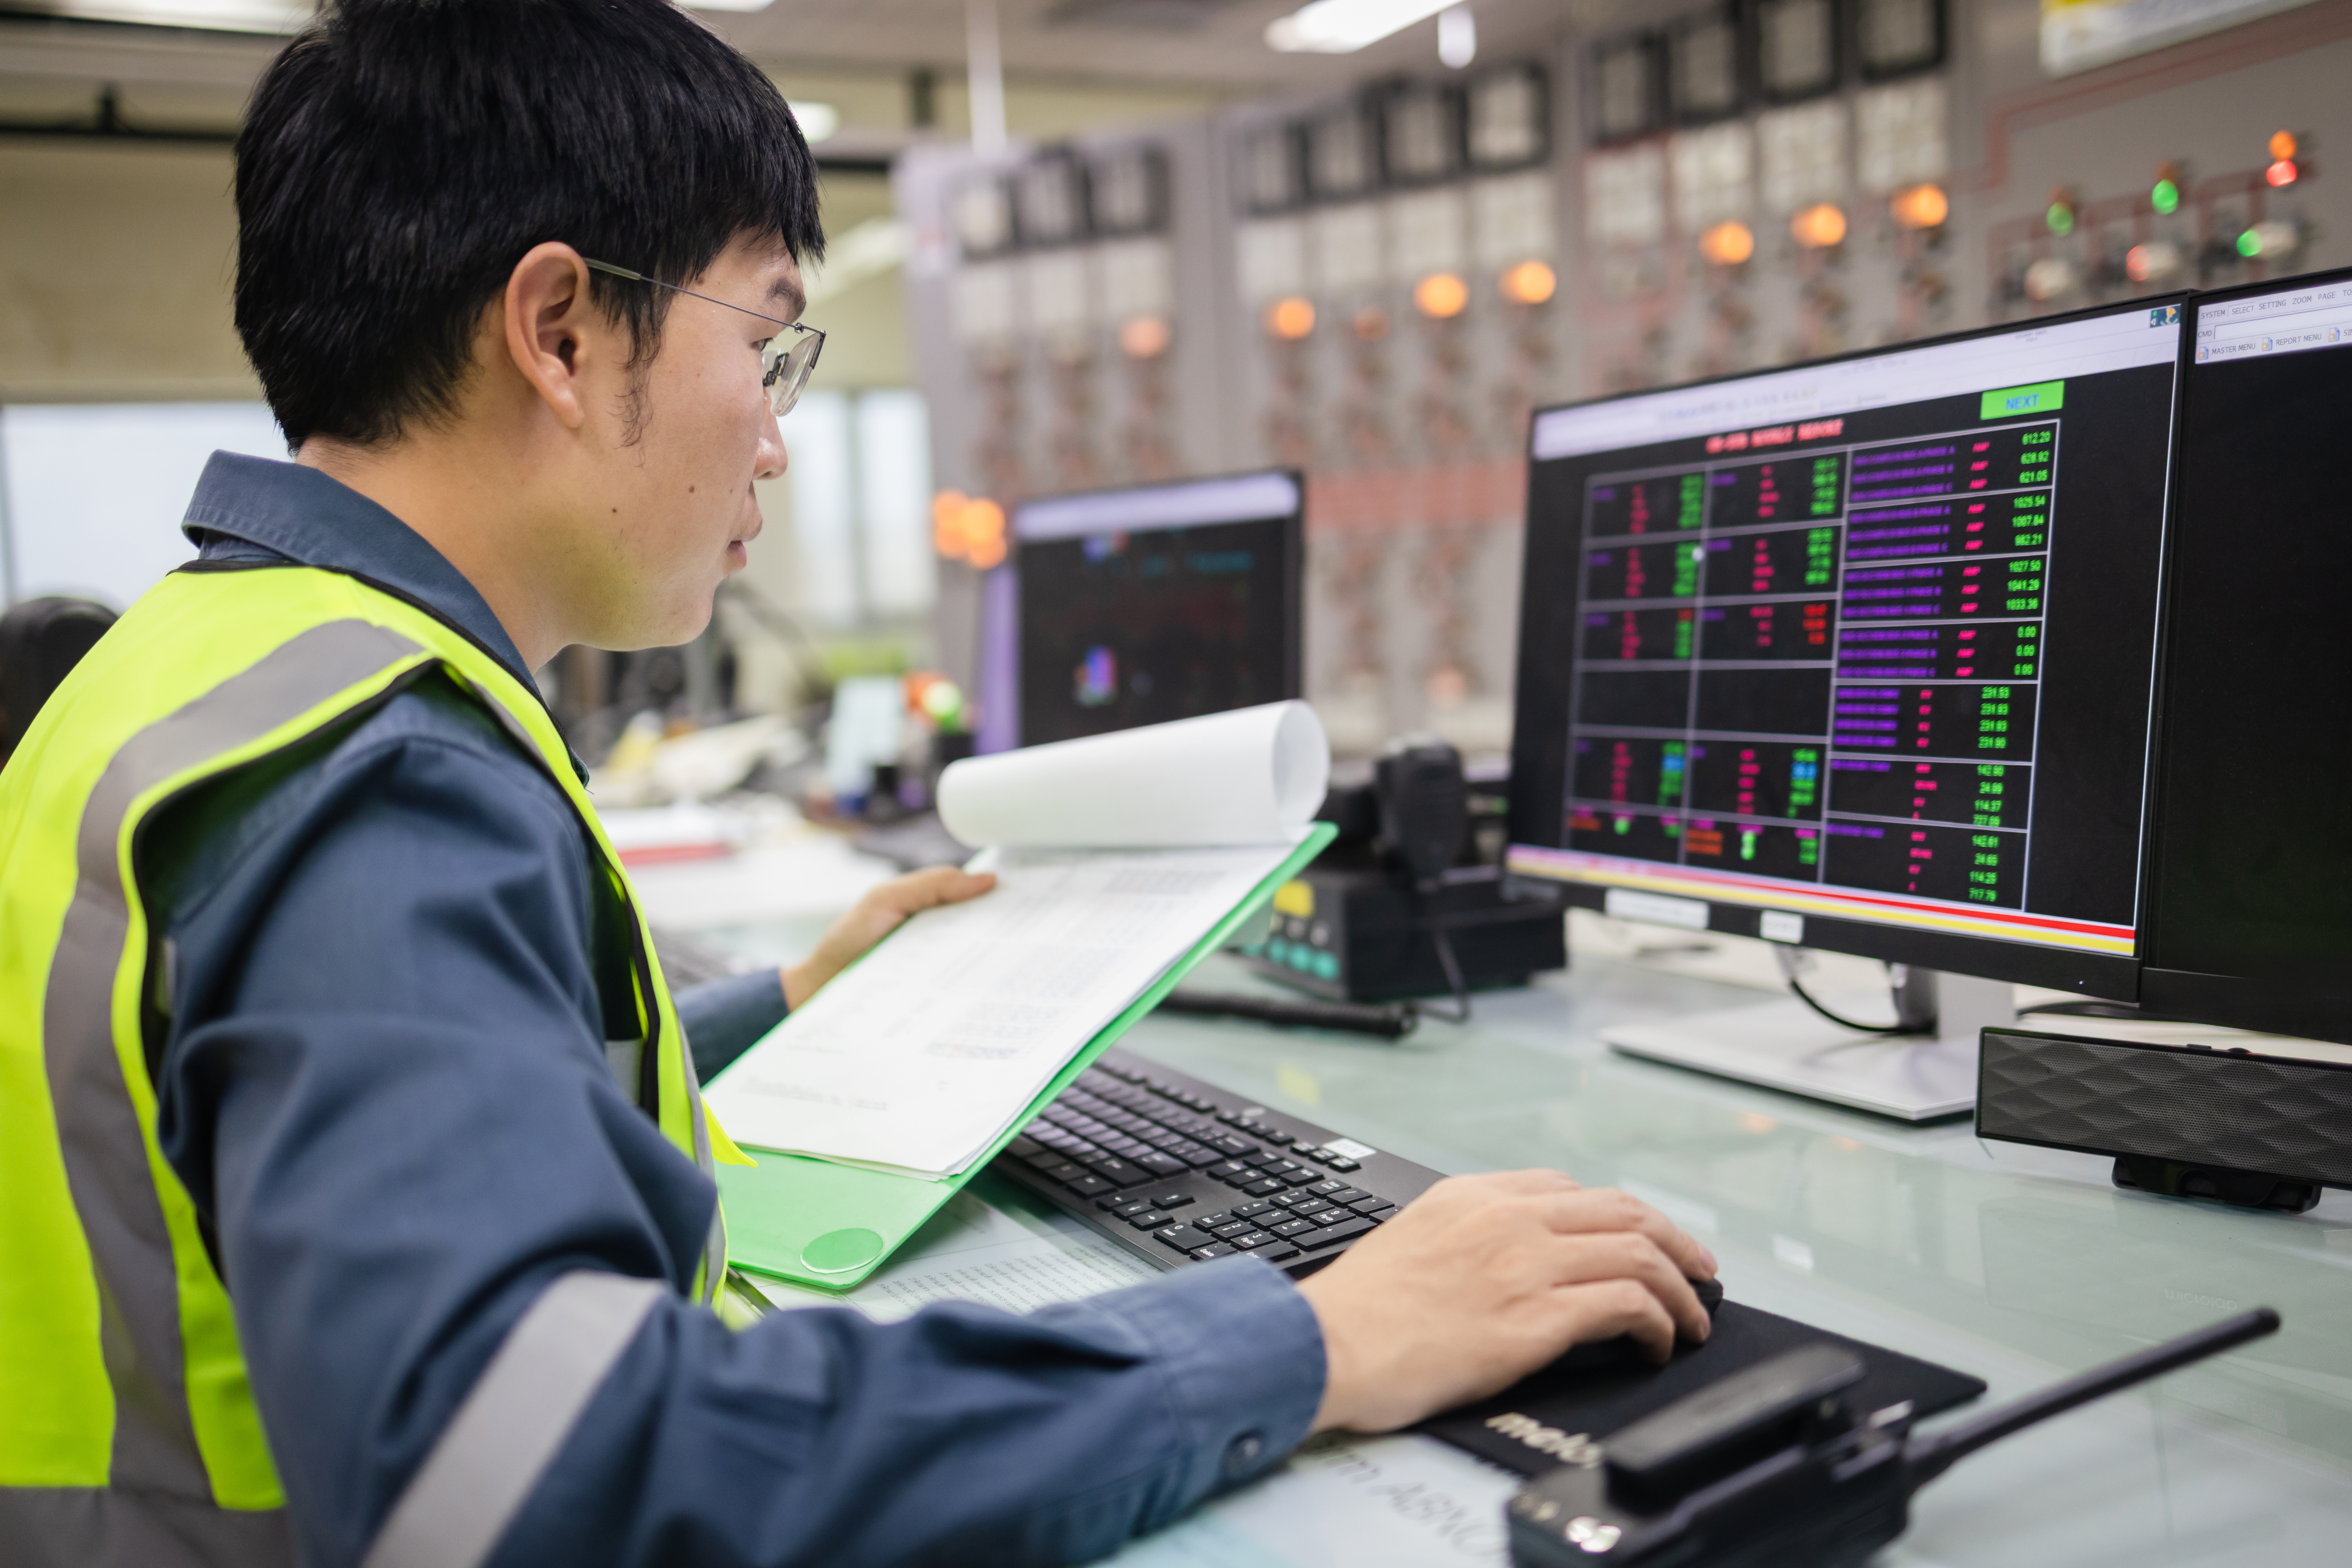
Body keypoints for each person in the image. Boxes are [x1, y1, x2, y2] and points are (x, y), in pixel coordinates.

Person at [0, 2, 1716, 1565]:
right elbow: (549, 1481)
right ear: (560, 331)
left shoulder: (201, 672)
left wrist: (785, 1002)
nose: (773, 433)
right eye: (768, 342)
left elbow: (339, 1081)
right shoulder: (374, 774)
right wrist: (1321, 1335)